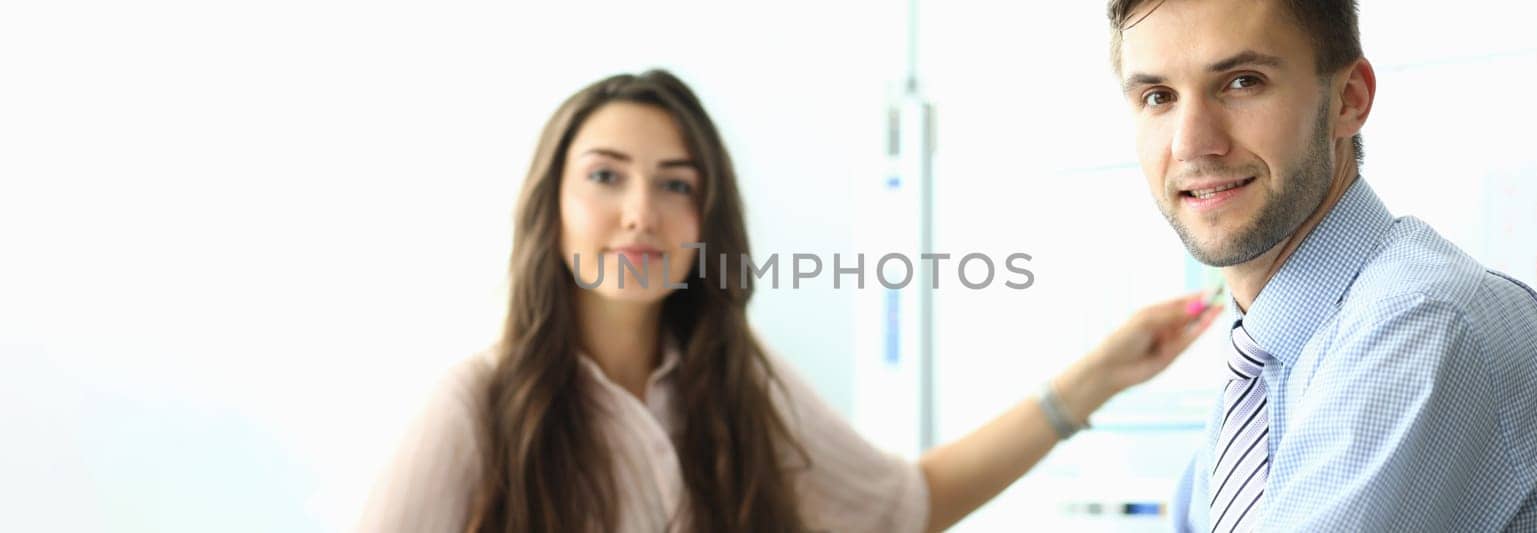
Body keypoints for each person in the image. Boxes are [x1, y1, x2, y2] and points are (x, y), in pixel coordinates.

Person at [355, 69, 1223, 532]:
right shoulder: (475, 404)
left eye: (675, 185)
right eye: (606, 176)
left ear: (705, 219)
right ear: (552, 202)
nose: (638, 213)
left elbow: (902, 509)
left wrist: (1098, 377)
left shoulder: (734, 381)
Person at [1105, 0, 1537, 530]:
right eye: (1158, 97)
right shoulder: (1264, 366)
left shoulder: (1417, 322)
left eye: (1242, 82)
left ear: (1349, 98)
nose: (1191, 143)